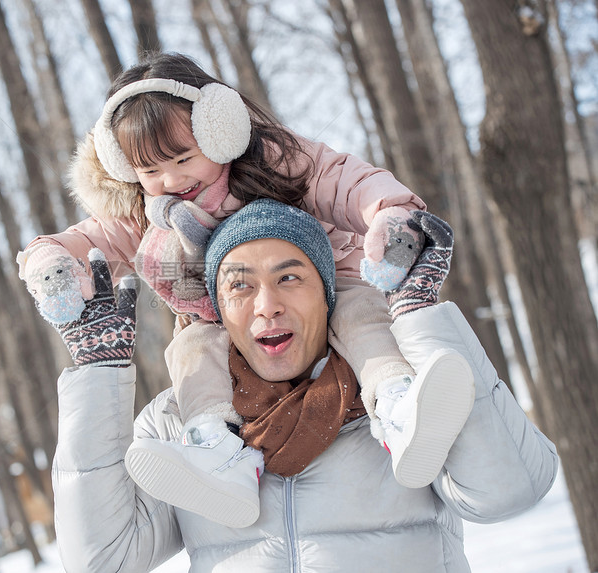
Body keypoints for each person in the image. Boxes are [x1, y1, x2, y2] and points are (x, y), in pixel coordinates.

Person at [18, 52, 474, 526]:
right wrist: (50, 262)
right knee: (191, 350)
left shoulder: (277, 160)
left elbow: (344, 181)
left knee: (360, 317)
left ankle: (399, 405)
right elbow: (87, 239)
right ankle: (216, 449)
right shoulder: (145, 207)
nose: (171, 181)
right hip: (220, 320)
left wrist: (386, 213)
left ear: (220, 128)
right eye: (150, 170)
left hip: (328, 282)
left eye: (182, 158)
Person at [46, 199, 558, 572]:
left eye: (289, 278)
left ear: (327, 293)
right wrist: (98, 371)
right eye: (239, 285)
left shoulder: (404, 390)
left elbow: (508, 491)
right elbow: (102, 560)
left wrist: (418, 315)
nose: (266, 304)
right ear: (219, 311)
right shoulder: (180, 423)